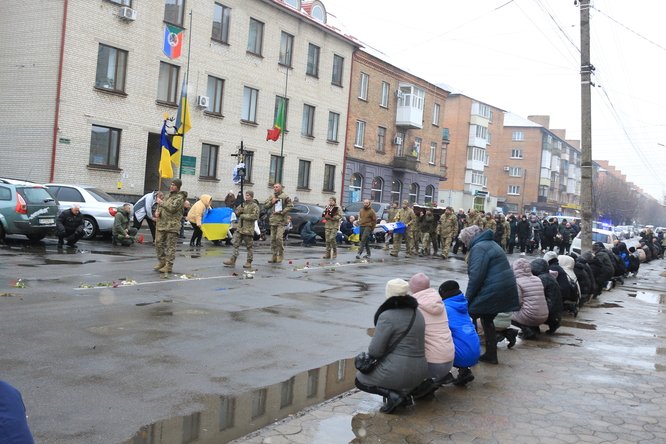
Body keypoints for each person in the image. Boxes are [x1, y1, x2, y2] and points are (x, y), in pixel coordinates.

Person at [355, 279, 428, 414]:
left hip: (399, 371)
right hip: (421, 371)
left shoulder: (387, 316)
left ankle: (393, 396)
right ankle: (403, 395)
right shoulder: (418, 313)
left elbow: (375, 351)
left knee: (360, 379)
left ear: (388, 294)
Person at [458, 225, 520, 364]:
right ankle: (491, 354)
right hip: (501, 288)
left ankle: (470, 352)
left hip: (494, 289)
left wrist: (467, 300)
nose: (465, 245)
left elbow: (476, 277)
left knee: (469, 315)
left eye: (464, 241)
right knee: (486, 319)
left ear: (469, 239)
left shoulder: (479, 248)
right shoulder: (490, 243)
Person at [409, 273, 455, 385]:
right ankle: (436, 379)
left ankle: (420, 385)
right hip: (449, 361)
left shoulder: (415, 306)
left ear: (413, 287)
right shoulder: (439, 302)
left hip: (432, 365)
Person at [439, 280, 480, 386]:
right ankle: (464, 371)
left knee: (434, 340)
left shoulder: (445, 308)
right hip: (475, 352)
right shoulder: (462, 305)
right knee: (460, 335)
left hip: (462, 355)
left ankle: (443, 375)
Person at [154, 179, 187, 273]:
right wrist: (157, 212)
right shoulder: (167, 196)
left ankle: (168, 265)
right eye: (171, 184)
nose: (171, 186)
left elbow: (172, 208)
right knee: (158, 243)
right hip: (162, 224)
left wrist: (161, 203)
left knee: (170, 247)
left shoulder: (180, 198)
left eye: (174, 185)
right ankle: (162, 261)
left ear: (178, 187)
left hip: (172, 226)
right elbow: (161, 207)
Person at [510, 258, 549, 340]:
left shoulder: (517, 282)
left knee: (507, 315)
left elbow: (518, 302)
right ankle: (534, 329)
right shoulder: (537, 279)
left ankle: (527, 330)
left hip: (530, 316)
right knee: (531, 308)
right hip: (544, 316)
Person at [223, 191, 259, 268]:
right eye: (246, 195)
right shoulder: (243, 204)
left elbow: (255, 216)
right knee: (235, 244)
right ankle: (233, 259)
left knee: (249, 246)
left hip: (248, 229)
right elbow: (236, 212)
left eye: (248, 195)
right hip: (240, 228)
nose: (246, 197)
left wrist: (244, 216)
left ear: (251, 196)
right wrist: (239, 211)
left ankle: (249, 261)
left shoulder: (254, 205)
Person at [530, 258, 563, 333]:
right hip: (556, 312)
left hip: (547, 312)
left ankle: (532, 329)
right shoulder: (550, 277)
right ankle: (553, 323)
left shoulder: (541, 279)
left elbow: (535, 296)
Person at [263, 183, 293, 263]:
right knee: (273, 239)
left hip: (281, 220)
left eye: (277, 187)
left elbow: (290, 206)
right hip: (273, 220)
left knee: (278, 238)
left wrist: (283, 212)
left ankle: (281, 254)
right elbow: (265, 206)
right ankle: (274, 256)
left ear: (280, 188)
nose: (275, 188)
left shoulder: (285, 196)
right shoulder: (271, 196)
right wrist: (271, 202)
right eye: (274, 187)